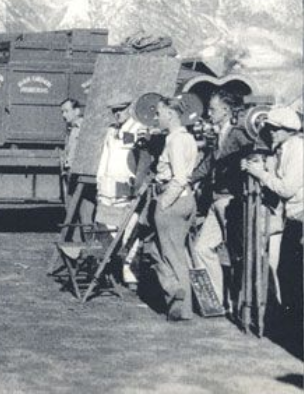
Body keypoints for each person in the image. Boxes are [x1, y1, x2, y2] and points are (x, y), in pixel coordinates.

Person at [191, 90, 252, 309]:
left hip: (231, 200)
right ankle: (215, 300)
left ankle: (238, 301)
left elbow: (245, 159)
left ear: (226, 111)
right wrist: (188, 179)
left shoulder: (238, 134)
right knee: (202, 248)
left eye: (213, 109)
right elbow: (208, 164)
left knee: (236, 254)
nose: (209, 113)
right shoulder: (219, 135)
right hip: (217, 200)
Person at [242, 106, 303, 318]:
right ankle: (293, 321)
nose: (272, 132)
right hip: (293, 218)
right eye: (269, 127)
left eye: (276, 128)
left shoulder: (298, 150)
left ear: (289, 129)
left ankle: (294, 324)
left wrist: (261, 175)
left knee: (292, 273)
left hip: (300, 218)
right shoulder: (283, 149)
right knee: (286, 271)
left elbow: (286, 188)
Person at [149, 95, 199, 321]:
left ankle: (176, 296)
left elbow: (179, 178)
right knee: (175, 254)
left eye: (158, 113)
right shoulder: (188, 138)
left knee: (164, 253)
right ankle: (179, 299)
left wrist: (163, 202)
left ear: (170, 114)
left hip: (173, 199)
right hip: (186, 200)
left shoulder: (175, 141)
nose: (156, 117)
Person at [95, 92, 145, 286]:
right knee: (107, 230)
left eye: (121, 110)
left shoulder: (139, 129)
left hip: (127, 186)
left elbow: (142, 160)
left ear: (129, 109)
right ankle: (107, 271)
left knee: (130, 231)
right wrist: (99, 184)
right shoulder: (110, 131)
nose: (117, 114)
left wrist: (136, 187)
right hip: (108, 187)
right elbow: (104, 159)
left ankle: (130, 273)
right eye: (114, 111)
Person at [59, 98, 95, 225]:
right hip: (70, 172)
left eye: (66, 111)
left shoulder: (84, 128)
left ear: (77, 111)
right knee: (70, 210)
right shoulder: (71, 128)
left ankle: (87, 241)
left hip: (80, 174)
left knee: (84, 209)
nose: (64, 115)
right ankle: (75, 242)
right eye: (62, 112)